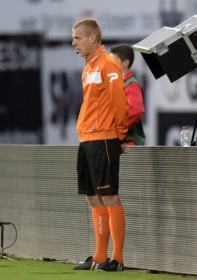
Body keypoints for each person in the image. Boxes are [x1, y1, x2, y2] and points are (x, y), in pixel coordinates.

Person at [71, 18, 129, 272]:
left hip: (104, 138)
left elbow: (120, 103)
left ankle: (117, 259)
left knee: (109, 195)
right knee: (93, 198)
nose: (73, 42)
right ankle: (99, 256)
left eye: (78, 38)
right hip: (86, 139)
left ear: (93, 38)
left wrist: (120, 135)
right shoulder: (88, 68)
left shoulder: (108, 64)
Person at [110, 45, 146, 146]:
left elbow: (136, 111)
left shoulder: (131, 85)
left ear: (126, 63)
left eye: (114, 60)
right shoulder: (115, 84)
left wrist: (114, 128)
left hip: (128, 145)